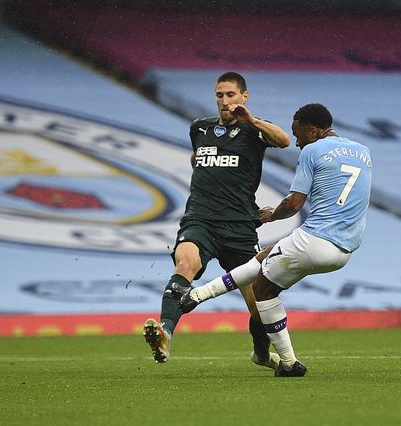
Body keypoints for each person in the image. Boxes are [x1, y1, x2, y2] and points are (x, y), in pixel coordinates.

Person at [175, 103, 373, 376]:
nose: (297, 142)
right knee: (264, 256)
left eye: (299, 135)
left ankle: (289, 363)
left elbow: (294, 203)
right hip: (345, 248)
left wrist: (271, 215)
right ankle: (194, 297)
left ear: (314, 132)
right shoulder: (363, 152)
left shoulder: (313, 151)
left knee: (263, 290)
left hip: (316, 239)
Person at [143, 72, 291, 366]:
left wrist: (253, 120)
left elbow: (285, 140)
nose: (225, 101)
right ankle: (165, 334)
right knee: (185, 262)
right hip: (201, 221)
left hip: (240, 229)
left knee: (259, 303)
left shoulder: (255, 130)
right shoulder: (200, 128)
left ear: (244, 97)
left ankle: (261, 354)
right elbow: (197, 158)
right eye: (220, 95)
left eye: (231, 95)